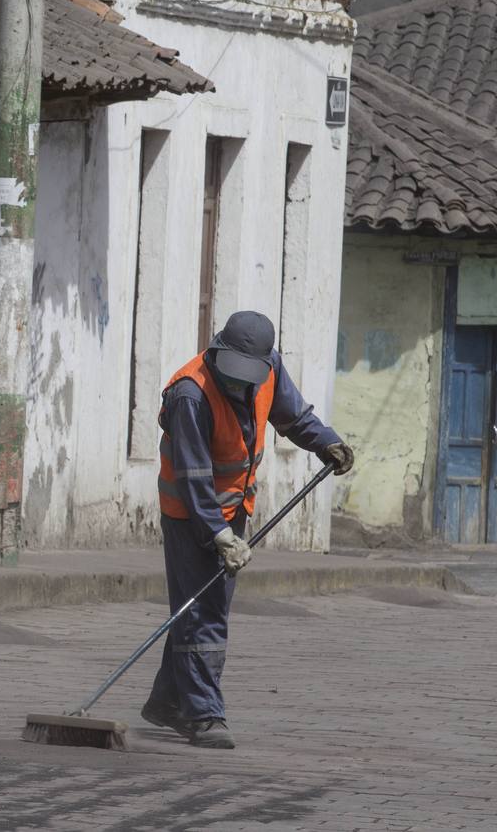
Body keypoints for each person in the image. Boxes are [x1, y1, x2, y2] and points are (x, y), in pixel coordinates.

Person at [143, 310, 353, 748]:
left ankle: (167, 702)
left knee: (197, 605)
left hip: (235, 509)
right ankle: (204, 714)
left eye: (247, 377)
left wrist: (326, 442)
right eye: (232, 375)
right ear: (219, 349)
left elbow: (294, 417)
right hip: (189, 514)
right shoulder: (190, 394)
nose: (239, 384)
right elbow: (195, 477)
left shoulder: (268, 369)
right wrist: (219, 535)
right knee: (205, 612)